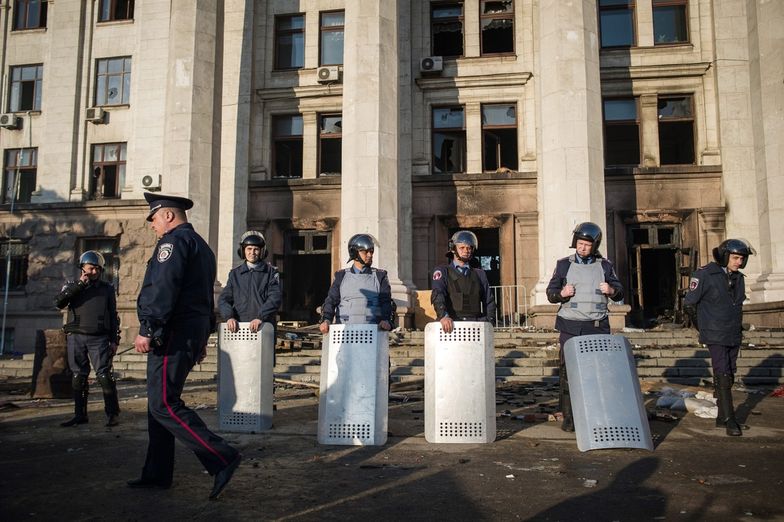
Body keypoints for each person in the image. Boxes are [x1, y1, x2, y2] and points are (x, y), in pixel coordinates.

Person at [129, 193, 241, 500]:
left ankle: (221, 457)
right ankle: (156, 473)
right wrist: (202, 337)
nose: (152, 225)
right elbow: (205, 297)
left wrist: (148, 327)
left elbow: (164, 288)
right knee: (158, 403)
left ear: (167, 215)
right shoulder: (201, 246)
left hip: (171, 334)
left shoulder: (173, 244)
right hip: (188, 333)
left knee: (164, 403)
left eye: (153, 218)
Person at [546, 222, 623, 432]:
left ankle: (596, 415)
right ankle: (569, 418)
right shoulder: (564, 265)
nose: (582, 248)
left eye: (587, 245)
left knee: (597, 372)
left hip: (597, 326)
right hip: (571, 326)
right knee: (568, 372)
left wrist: (612, 290)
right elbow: (550, 292)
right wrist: (561, 294)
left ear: (594, 245)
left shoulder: (605, 266)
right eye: (580, 244)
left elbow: (620, 290)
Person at [683, 238, 754, 437]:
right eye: (735, 258)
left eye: (741, 258)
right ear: (724, 256)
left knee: (730, 372)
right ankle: (729, 419)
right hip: (715, 333)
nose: (738, 262)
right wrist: (704, 328)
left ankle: (721, 416)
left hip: (733, 332)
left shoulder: (739, 278)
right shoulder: (705, 274)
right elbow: (689, 305)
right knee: (722, 372)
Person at [55, 250, 121, 427]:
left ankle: (112, 414)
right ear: (82, 267)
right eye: (90, 268)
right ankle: (80, 415)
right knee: (78, 376)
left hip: (98, 338)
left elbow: (113, 315)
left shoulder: (107, 289)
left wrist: (114, 340)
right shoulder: (71, 286)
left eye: (97, 269)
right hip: (76, 337)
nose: (93, 272)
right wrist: (79, 285)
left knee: (104, 375)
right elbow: (59, 302)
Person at [319, 234, 393, 333]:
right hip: (344, 333)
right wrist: (326, 320)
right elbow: (331, 301)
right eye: (365, 251)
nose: (370, 255)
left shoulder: (380, 276)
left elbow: (386, 302)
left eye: (371, 252)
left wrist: (386, 320)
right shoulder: (341, 276)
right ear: (354, 252)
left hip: (372, 332)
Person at [430, 230, 496, 334]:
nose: (466, 250)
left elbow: (489, 301)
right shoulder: (442, 271)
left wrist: (489, 321)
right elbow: (438, 294)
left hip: (476, 326)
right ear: (453, 249)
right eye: (462, 247)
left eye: (469, 248)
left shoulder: (480, 274)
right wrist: (443, 316)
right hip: (451, 326)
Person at [218, 230, 282, 333]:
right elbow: (224, 299)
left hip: (263, 326)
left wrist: (260, 317)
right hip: (239, 328)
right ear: (243, 250)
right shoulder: (235, 274)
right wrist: (229, 317)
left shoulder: (270, 272)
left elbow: (275, 298)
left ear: (262, 251)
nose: (252, 253)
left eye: (256, 249)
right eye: (249, 249)